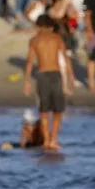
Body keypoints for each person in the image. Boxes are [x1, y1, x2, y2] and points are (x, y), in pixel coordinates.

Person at [23, 15, 74, 151]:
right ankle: (53, 140)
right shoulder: (56, 38)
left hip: (42, 75)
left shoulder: (35, 40)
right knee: (58, 110)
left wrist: (27, 81)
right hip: (55, 74)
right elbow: (66, 58)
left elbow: (29, 62)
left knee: (44, 111)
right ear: (51, 27)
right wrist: (71, 76)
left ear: (39, 26)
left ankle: (46, 140)